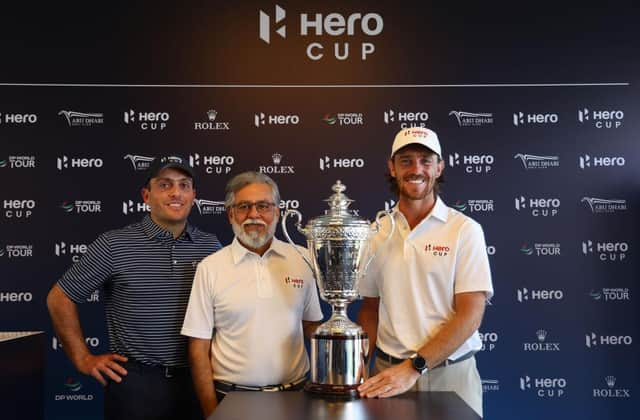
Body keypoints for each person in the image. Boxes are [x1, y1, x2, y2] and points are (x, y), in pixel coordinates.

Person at [46, 155, 222, 420]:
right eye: (165, 185)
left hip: (200, 380)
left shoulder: (210, 246)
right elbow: (60, 298)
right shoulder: (114, 245)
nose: (176, 193)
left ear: (193, 195)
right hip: (137, 387)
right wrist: (82, 357)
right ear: (146, 195)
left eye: (184, 185)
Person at [357, 127, 493, 417]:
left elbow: (470, 314)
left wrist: (414, 367)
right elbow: (370, 308)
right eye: (406, 160)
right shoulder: (375, 232)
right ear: (392, 168)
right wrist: (358, 366)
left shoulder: (464, 230)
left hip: (450, 375)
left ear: (439, 167)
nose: (416, 169)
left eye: (425, 160)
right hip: (389, 374)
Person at [181, 171, 323, 417]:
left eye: (263, 206)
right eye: (244, 206)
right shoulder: (210, 268)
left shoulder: (302, 258)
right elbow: (198, 347)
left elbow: (313, 327)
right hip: (233, 399)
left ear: (277, 212)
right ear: (231, 214)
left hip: (296, 398)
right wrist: (212, 413)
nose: (254, 215)